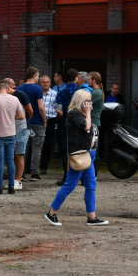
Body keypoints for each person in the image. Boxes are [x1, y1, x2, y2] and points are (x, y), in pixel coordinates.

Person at [44, 89, 109, 227]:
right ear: (80, 101)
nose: (90, 103)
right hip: (78, 155)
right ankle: (51, 212)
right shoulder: (74, 113)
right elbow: (86, 127)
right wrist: (89, 113)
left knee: (91, 185)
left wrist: (87, 112)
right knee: (70, 185)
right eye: (88, 101)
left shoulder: (82, 114)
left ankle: (92, 217)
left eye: (90, 101)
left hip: (88, 153)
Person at [0, 80, 24, 194]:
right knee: (10, 160)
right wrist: (12, 117)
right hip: (11, 133)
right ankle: (11, 187)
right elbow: (22, 116)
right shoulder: (15, 99)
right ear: (7, 88)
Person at [54, 68, 81, 186]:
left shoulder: (61, 92)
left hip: (66, 122)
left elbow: (58, 111)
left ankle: (67, 177)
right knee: (79, 148)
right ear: (76, 78)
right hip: (79, 123)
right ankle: (82, 177)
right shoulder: (80, 92)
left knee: (66, 150)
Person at [20, 67, 46, 181]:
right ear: (34, 75)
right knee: (36, 148)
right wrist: (44, 120)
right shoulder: (38, 89)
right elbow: (41, 107)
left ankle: (20, 172)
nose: (38, 78)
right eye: (38, 76)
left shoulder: (20, 89)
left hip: (23, 122)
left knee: (23, 148)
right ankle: (34, 172)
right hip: (37, 122)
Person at [10, 79, 33, 189]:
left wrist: (26, 121)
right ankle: (14, 179)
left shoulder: (20, 94)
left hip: (22, 127)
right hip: (11, 128)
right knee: (14, 154)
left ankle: (18, 180)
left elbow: (30, 111)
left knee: (19, 154)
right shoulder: (6, 97)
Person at [38, 75, 58, 175]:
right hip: (39, 120)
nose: (46, 83)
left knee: (47, 144)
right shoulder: (37, 93)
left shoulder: (54, 93)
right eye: (44, 82)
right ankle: (30, 166)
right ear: (40, 83)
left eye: (47, 82)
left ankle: (44, 167)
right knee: (36, 143)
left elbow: (58, 107)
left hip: (50, 120)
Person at [87, 71, 105, 157]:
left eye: (89, 79)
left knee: (93, 148)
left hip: (94, 122)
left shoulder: (97, 92)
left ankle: (94, 169)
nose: (88, 81)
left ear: (94, 80)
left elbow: (85, 104)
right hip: (93, 122)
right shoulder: (95, 92)